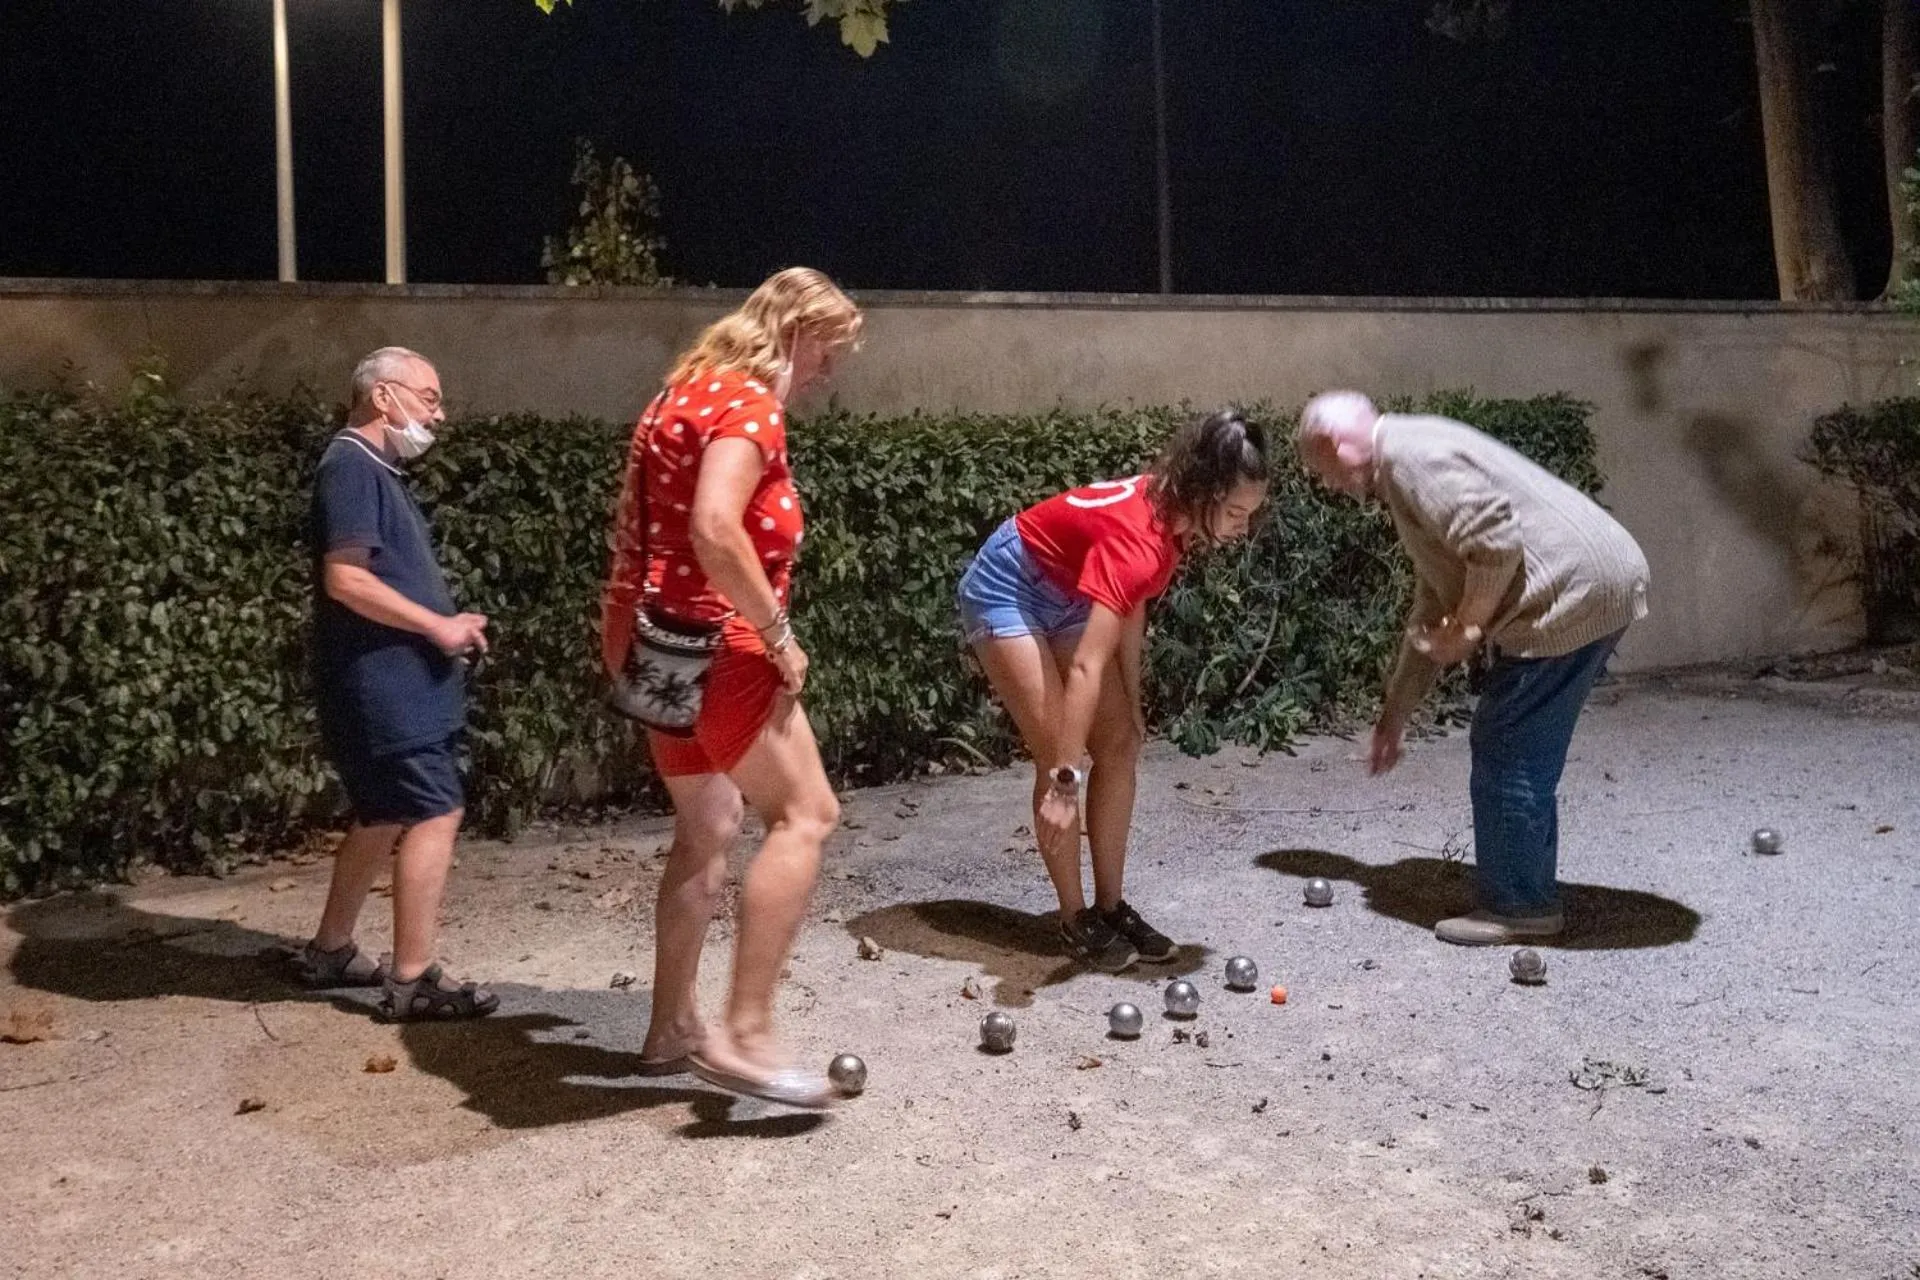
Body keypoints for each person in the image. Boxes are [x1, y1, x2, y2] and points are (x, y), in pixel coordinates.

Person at [602, 267, 863, 1108]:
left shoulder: (678, 393)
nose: (828, 372)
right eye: (828, 351)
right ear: (796, 333)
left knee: (709, 821)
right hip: (718, 640)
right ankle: (746, 1034)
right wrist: (778, 633)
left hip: (645, 634)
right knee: (807, 813)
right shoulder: (749, 404)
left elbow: (648, 527)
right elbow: (717, 528)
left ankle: (671, 1026)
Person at [1295, 390, 1651, 945]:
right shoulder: (1411, 455)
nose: (1327, 485)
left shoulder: (1412, 460)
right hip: (1597, 583)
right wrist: (1396, 713)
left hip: (1570, 596)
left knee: (1509, 741)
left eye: (1321, 472)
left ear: (1334, 445)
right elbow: (1434, 598)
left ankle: (1521, 907)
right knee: (1520, 741)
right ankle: (1526, 885)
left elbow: (1492, 541)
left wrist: (1468, 628)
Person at [957, 410, 1272, 972]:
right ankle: (1074, 918)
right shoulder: (1139, 539)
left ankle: (1110, 907)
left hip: (1067, 590)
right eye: (1234, 513)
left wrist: (1132, 700)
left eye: (1250, 514)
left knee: (1120, 742)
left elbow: (1130, 610)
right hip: (1008, 587)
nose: (1242, 529)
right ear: (1202, 491)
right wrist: (1063, 783)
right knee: (1059, 745)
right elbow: (1085, 667)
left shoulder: (1170, 520)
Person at [296, 346, 498, 1020]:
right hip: (385, 685)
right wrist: (437, 628)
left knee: (381, 814)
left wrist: (444, 618)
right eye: (429, 396)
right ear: (384, 396)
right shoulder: (352, 465)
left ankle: (331, 951)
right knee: (436, 810)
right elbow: (346, 578)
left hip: (385, 680)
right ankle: (413, 979)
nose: (438, 413)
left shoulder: (367, 467)